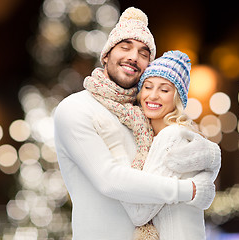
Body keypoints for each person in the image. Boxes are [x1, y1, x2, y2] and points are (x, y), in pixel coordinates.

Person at [54, 7, 218, 240]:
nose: (133, 56)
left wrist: (208, 162)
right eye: (125, 46)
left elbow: (177, 156)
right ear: (107, 54)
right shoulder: (76, 109)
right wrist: (190, 190)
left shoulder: (144, 114)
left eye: (143, 53)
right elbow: (109, 180)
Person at [90, 50, 221, 239]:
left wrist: (116, 149)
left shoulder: (171, 136)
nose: (153, 96)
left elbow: (139, 213)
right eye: (148, 87)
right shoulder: (171, 136)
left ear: (177, 98)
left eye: (164, 90)